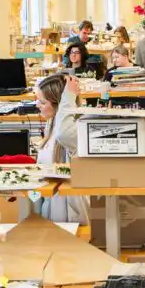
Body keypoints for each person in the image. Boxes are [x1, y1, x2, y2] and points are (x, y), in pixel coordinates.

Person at [32, 74, 88, 224]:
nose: (37, 104)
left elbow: (64, 133)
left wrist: (68, 96)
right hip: (49, 205)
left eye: (42, 102)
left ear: (59, 105)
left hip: (66, 213)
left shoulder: (73, 130)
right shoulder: (52, 123)